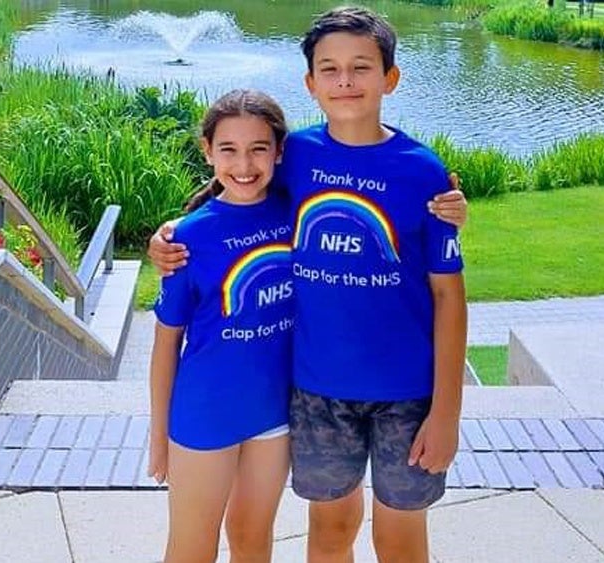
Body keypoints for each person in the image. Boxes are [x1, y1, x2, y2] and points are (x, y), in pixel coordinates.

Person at [150, 7, 468, 562]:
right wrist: (173, 232)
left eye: (361, 67)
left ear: (390, 79)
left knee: (399, 538)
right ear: (310, 82)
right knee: (331, 528)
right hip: (319, 391)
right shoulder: (297, 154)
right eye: (330, 68)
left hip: (406, 394)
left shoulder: (423, 172)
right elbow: (241, 185)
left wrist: (447, 414)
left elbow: (449, 294)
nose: (345, 81)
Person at [148, 89, 294, 563]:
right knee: (192, 549)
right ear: (207, 151)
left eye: (258, 148)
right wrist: (159, 432)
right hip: (204, 414)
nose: (244, 164)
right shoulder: (187, 237)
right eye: (228, 149)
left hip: (274, 415)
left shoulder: (298, 213)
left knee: (254, 543)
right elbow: (167, 342)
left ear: (278, 151)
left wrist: (446, 204)